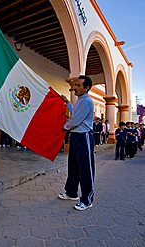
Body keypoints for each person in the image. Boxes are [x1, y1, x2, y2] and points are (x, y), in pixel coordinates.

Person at [58, 75, 95, 211]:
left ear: (86, 88)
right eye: (75, 85)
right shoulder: (80, 100)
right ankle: (71, 192)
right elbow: (75, 113)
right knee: (73, 166)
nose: (75, 88)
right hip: (75, 136)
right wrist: (68, 103)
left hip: (83, 137)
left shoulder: (87, 101)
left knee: (85, 169)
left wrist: (63, 127)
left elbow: (76, 120)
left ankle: (87, 199)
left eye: (79, 86)